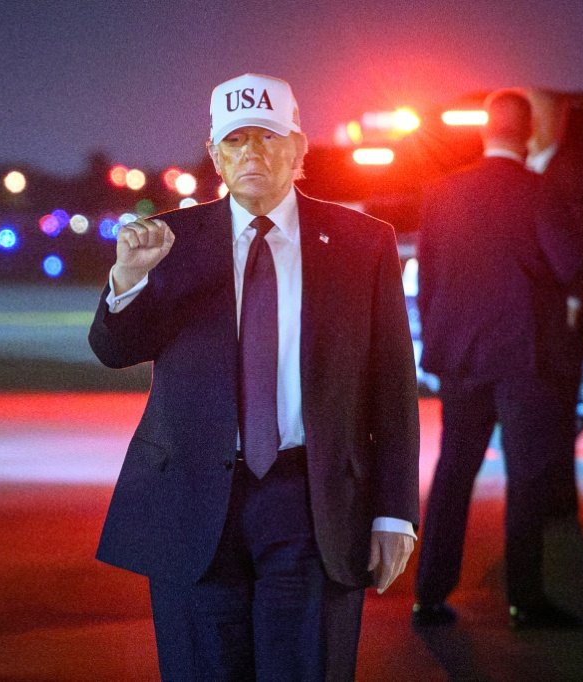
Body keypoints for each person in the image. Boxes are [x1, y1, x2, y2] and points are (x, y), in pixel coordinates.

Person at [88, 73, 420, 680]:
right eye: (236, 141)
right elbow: (115, 351)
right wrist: (128, 280)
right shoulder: (172, 241)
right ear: (215, 155)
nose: (252, 154)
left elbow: (392, 388)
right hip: (194, 502)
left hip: (313, 499)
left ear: (299, 149)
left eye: (268, 138)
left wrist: (394, 511)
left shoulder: (363, 243)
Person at [411, 89, 583, 630]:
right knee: (525, 474)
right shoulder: (539, 191)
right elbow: (569, 264)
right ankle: (524, 600)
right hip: (522, 355)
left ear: (484, 131)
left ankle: (429, 594)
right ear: (529, 132)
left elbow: (428, 278)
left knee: (454, 471)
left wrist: (440, 340)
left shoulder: (443, 191)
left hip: (462, 355)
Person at [527, 88, 583, 521]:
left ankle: (558, 502)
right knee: (549, 407)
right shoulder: (541, 167)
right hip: (547, 311)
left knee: (558, 407)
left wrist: (575, 298)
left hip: (566, 311)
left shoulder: (571, 169)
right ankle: (552, 499)